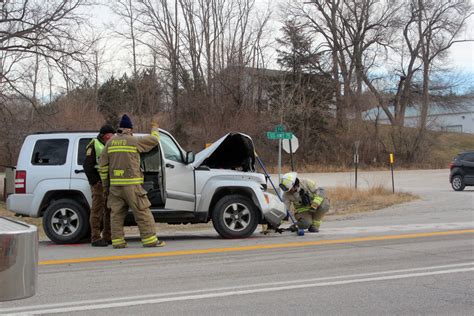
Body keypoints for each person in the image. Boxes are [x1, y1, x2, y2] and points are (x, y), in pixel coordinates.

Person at [99, 114, 165, 249]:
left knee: (116, 215)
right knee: (142, 212)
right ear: (130, 129)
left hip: (115, 187)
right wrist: (155, 128)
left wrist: (106, 186)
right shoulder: (134, 140)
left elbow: (103, 166)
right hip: (132, 186)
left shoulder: (110, 143)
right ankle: (150, 240)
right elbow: (154, 140)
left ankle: (118, 242)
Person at [83, 124, 116, 247]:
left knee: (109, 210)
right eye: (111, 135)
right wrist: (95, 182)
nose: (113, 137)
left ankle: (108, 236)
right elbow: (87, 166)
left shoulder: (109, 144)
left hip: (108, 183)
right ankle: (95, 237)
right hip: (98, 184)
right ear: (104, 135)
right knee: (97, 211)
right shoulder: (94, 145)